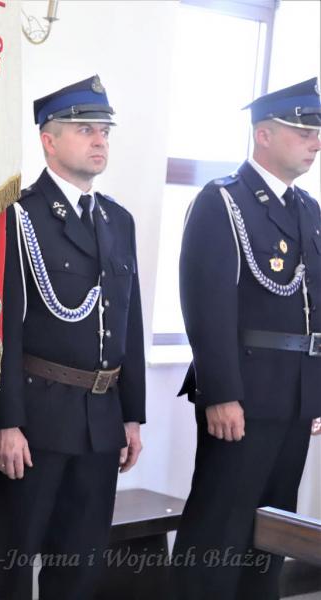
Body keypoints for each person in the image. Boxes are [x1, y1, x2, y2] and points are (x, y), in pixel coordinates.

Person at [0, 75, 146, 600]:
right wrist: (4, 421)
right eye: (85, 130)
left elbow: (130, 323)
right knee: (10, 568)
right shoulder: (15, 216)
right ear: (48, 140)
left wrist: (132, 416)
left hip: (100, 421)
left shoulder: (118, 220)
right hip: (36, 420)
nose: (100, 140)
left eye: (104, 131)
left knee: (79, 569)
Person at [172, 78, 321, 600]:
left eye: (317, 132)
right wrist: (221, 393)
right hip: (244, 395)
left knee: (272, 532)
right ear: (263, 134)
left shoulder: (308, 209)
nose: (315, 143)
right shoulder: (223, 201)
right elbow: (206, 304)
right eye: (303, 131)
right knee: (219, 528)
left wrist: (316, 393)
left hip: (294, 396)